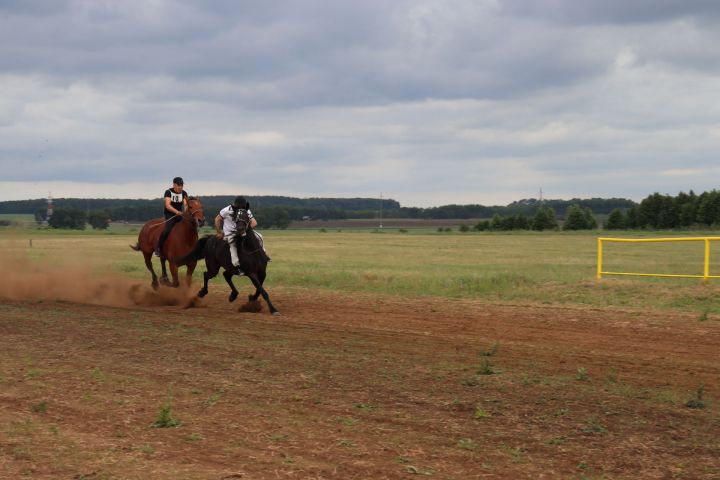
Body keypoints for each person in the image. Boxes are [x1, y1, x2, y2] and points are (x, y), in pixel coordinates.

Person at [215, 195, 263, 274]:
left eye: (242, 207)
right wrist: (219, 232)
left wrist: (245, 230)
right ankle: (237, 267)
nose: (240, 208)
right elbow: (217, 219)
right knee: (233, 245)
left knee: (259, 236)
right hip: (230, 234)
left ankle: (262, 255)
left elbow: (254, 222)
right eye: (238, 206)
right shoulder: (226, 210)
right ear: (234, 205)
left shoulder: (246, 211)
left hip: (242, 231)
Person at [155, 176, 188, 257]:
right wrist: (176, 212)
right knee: (167, 230)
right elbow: (167, 205)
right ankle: (158, 248)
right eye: (179, 185)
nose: (180, 187)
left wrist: (185, 211)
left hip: (180, 215)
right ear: (174, 185)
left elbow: (186, 204)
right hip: (170, 215)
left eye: (181, 185)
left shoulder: (184, 193)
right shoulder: (168, 192)